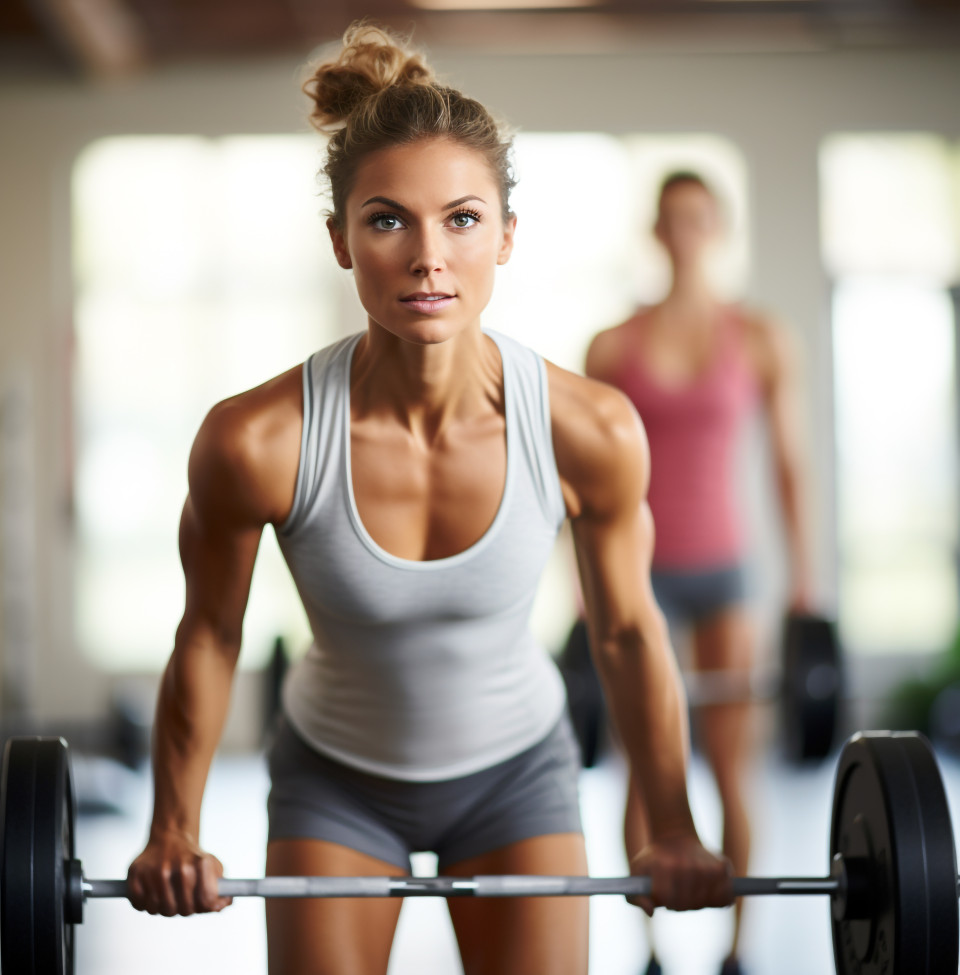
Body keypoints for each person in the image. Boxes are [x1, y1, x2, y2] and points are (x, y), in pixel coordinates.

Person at [125, 25, 733, 975]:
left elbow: (625, 631)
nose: (427, 257)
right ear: (340, 241)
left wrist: (672, 826)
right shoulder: (256, 440)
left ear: (506, 236)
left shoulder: (589, 429)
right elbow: (208, 634)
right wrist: (173, 827)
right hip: (336, 781)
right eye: (387, 220)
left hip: (518, 775)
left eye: (461, 219)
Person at [586, 171, 814, 975]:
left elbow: (787, 464)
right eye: (672, 219)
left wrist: (804, 582)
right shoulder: (613, 345)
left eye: (698, 218)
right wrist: (583, 585)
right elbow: (584, 478)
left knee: (730, 763)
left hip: (726, 573)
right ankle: (649, 944)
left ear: (717, 229)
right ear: (656, 231)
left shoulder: (759, 337)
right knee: (642, 766)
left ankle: (737, 946)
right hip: (637, 573)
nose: (685, 232)